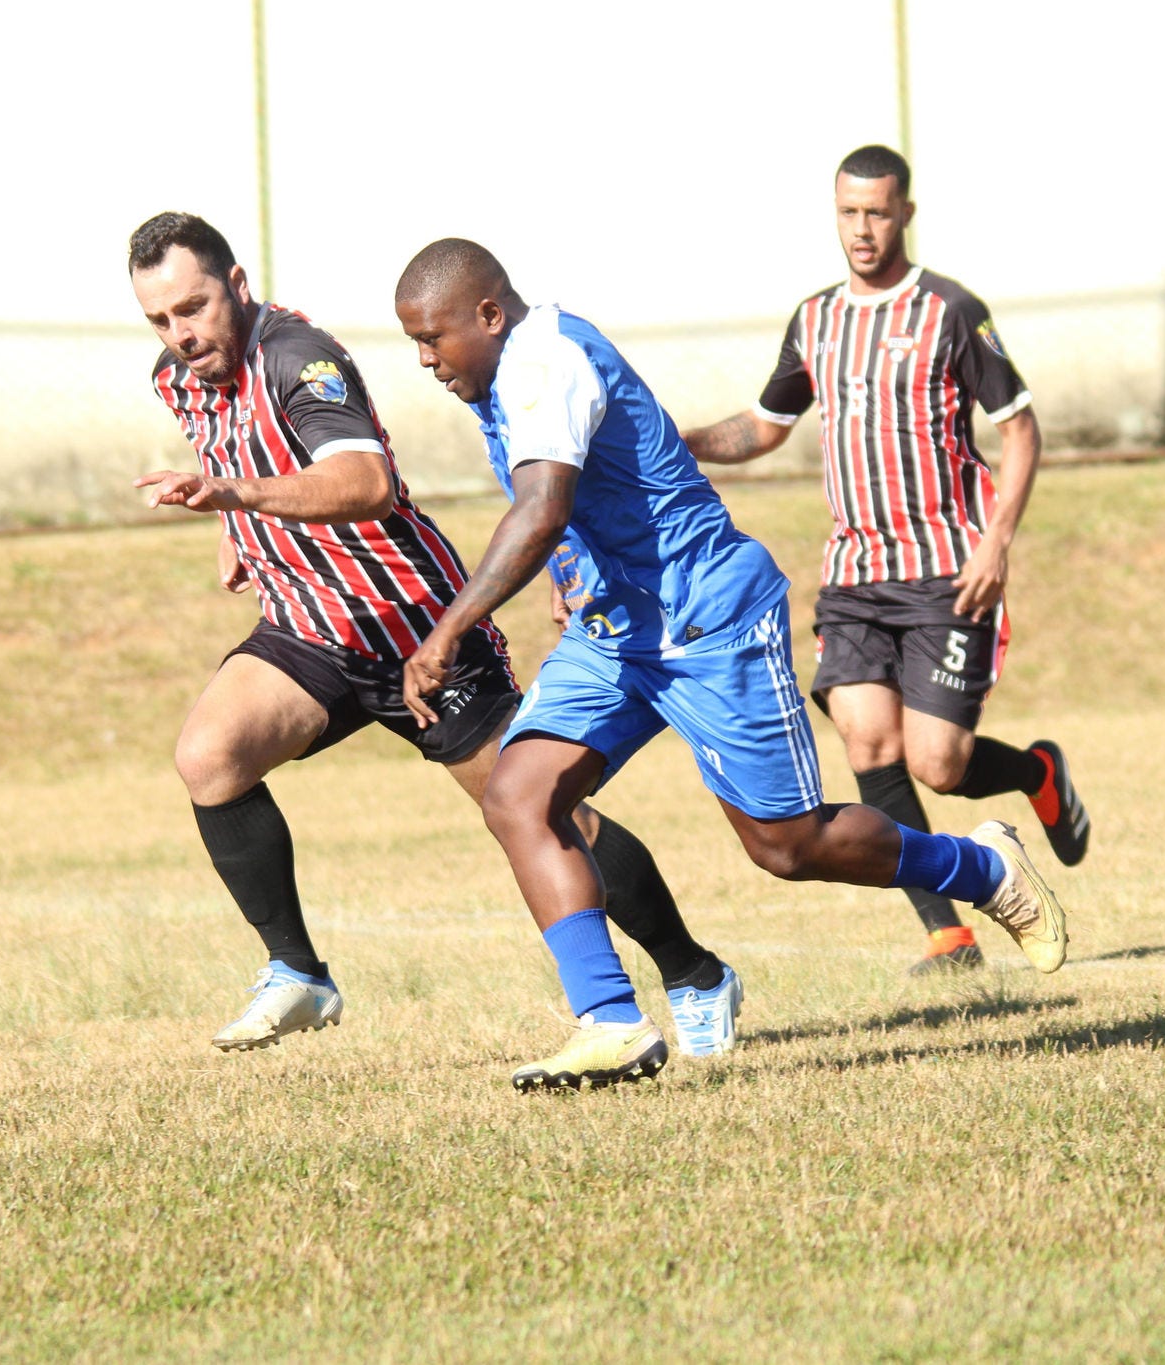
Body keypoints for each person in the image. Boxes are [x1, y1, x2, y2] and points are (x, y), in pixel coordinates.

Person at [394, 238, 1069, 1094]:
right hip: (617, 628)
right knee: (518, 795)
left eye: (433, 337)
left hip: (708, 616)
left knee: (788, 846)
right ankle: (609, 1021)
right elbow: (573, 508)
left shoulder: (544, 363)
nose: (424, 359)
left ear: (488, 315)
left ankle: (985, 869)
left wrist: (449, 629)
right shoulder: (505, 371)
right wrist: (572, 577)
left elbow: (540, 508)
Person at [125, 212, 738, 1058]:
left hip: (412, 626)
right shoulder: (179, 377)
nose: (180, 334)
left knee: (540, 810)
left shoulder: (301, 358)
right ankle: (299, 972)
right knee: (209, 755)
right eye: (160, 318)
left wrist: (237, 497)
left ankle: (693, 970)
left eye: (193, 308)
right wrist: (243, 533)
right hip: (308, 627)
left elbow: (366, 480)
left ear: (237, 286)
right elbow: (242, 448)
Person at [683, 145, 1090, 975]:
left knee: (937, 764)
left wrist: (996, 539)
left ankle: (1038, 773)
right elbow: (764, 425)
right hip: (855, 577)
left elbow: (1019, 427)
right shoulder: (816, 319)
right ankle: (949, 934)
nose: (862, 229)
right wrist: (679, 441)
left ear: (904, 213)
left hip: (947, 569)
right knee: (870, 748)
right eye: (848, 212)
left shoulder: (948, 310)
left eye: (876, 212)